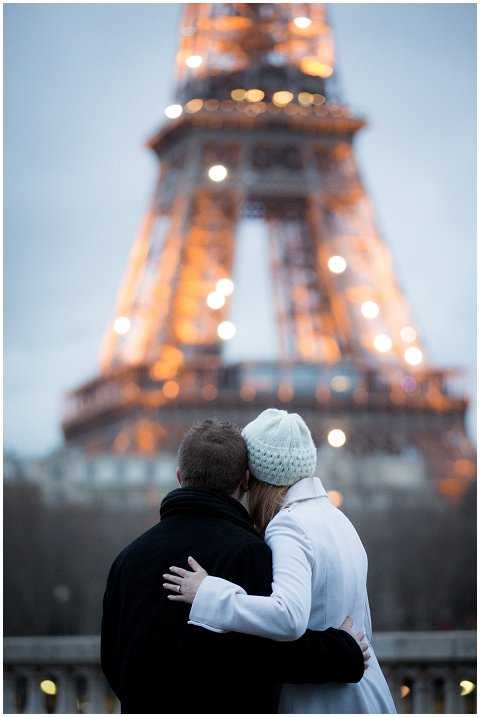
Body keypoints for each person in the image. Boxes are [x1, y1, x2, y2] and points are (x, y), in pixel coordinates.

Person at [101, 418, 368, 714]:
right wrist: (343, 651)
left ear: (179, 476)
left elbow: (112, 661)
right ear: (244, 480)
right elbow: (273, 652)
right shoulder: (251, 553)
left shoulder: (127, 560)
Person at [164, 409, 397, 714]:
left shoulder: (288, 525)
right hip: (365, 694)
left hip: (321, 702)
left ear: (255, 477)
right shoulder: (338, 520)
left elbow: (289, 616)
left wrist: (209, 592)